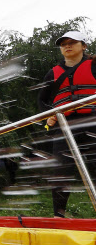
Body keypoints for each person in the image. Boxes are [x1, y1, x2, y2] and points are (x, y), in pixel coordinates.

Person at [39, 30, 96, 217]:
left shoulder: (94, 65)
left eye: (72, 42)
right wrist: (47, 116)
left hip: (93, 120)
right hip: (65, 125)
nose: (68, 46)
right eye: (64, 44)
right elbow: (42, 102)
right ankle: (59, 215)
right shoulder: (52, 74)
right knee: (61, 170)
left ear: (84, 46)